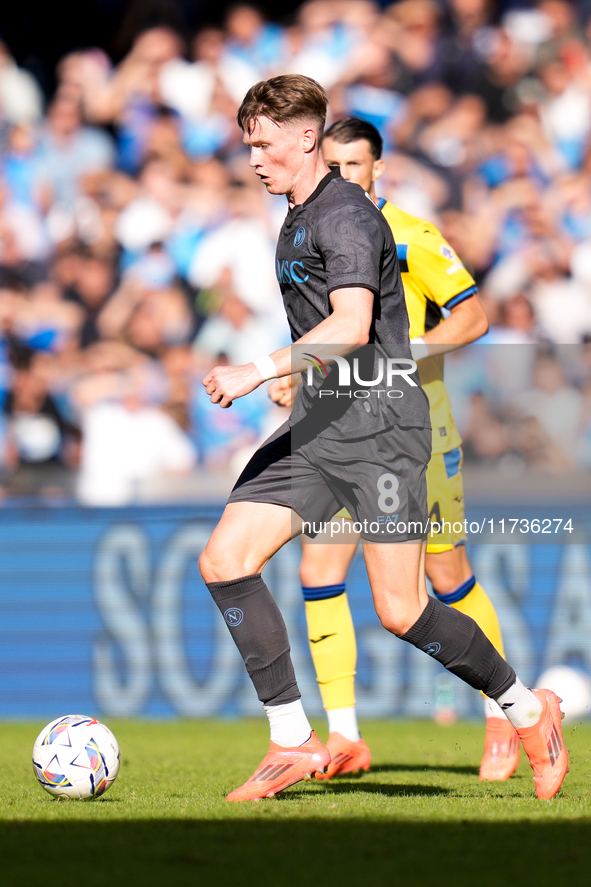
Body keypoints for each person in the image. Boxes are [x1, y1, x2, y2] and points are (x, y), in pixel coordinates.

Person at [199, 74, 567, 803]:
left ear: (306, 136)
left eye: (263, 144)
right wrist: (296, 378)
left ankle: (528, 708)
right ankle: (290, 739)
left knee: (401, 609)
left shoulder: (346, 218)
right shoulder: (295, 211)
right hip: (322, 422)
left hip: (382, 432)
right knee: (224, 559)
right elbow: (325, 335)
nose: (254, 159)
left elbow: (352, 326)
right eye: (248, 146)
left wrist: (259, 367)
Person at [269, 116, 519, 781]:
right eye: (334, 164)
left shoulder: (408, 234)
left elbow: (472, 313)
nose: (342, 176)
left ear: (377, 169)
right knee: (318, 572)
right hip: (335, 426)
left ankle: (504, 714)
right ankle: (344, 733)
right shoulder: (314, 232)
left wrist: (409, 354)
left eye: (354, 165)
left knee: (444, 578)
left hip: (414, 431)